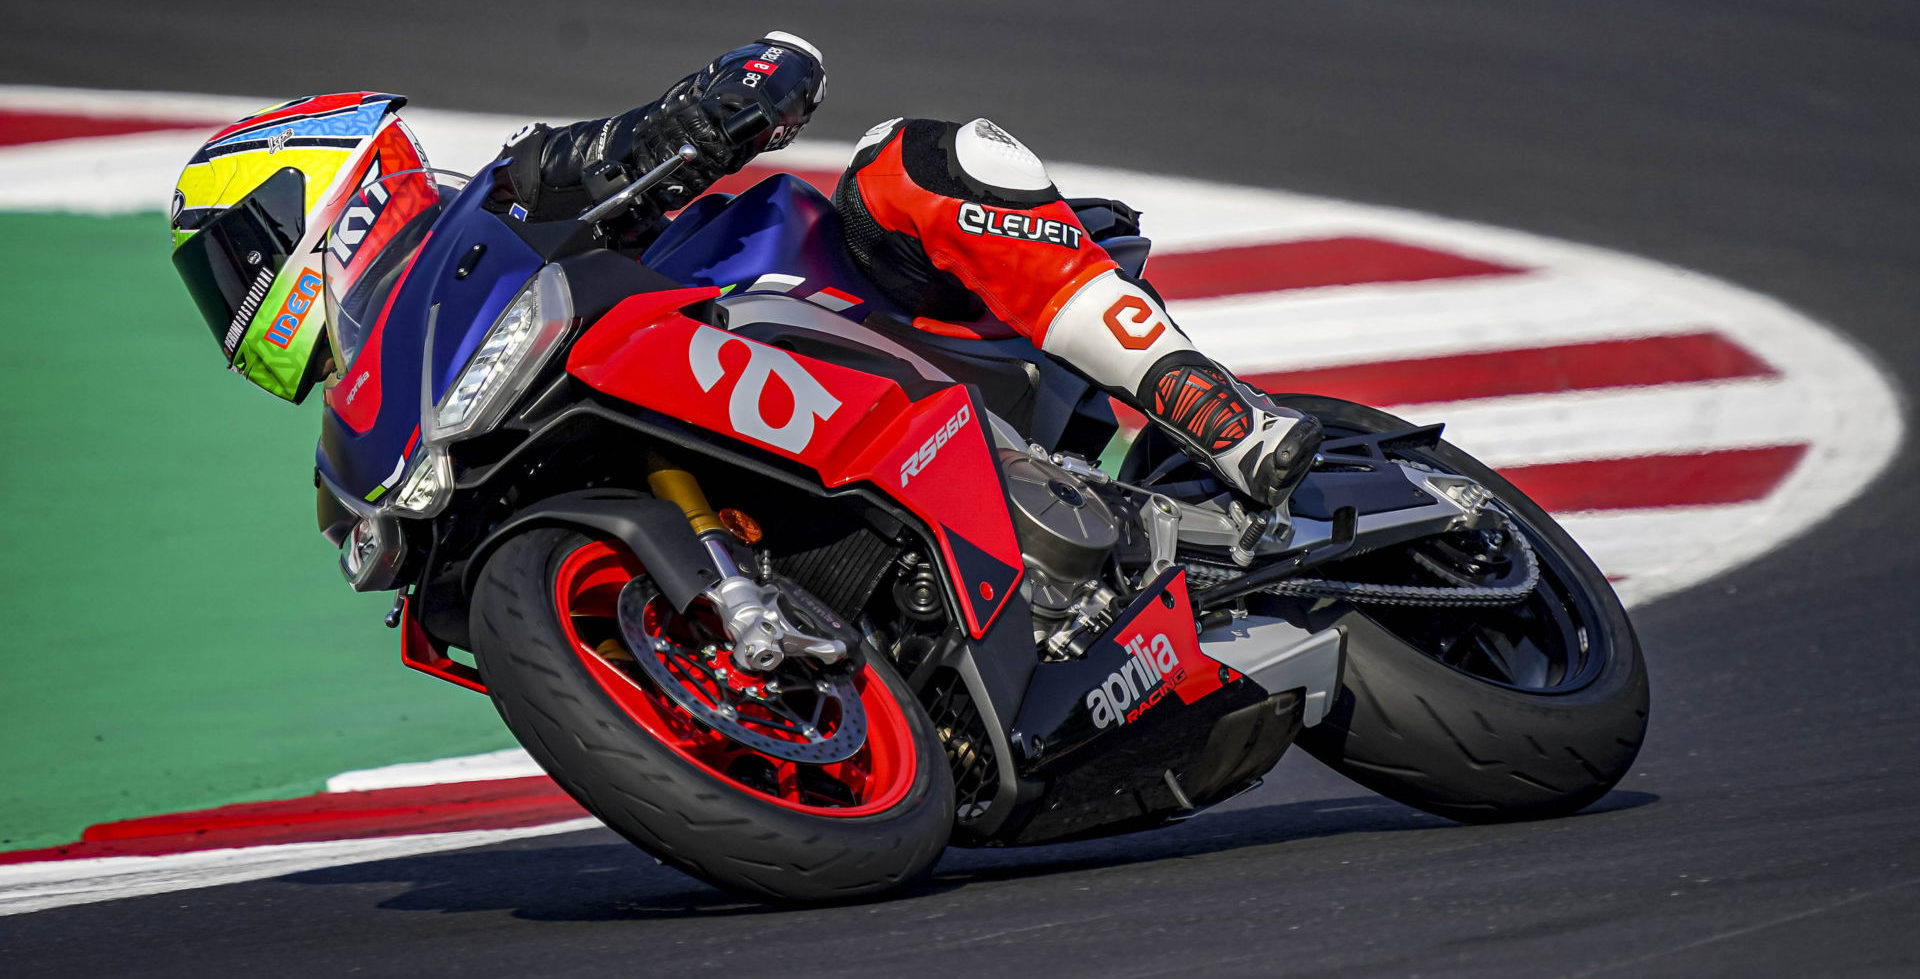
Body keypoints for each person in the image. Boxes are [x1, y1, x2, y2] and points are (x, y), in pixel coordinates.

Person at [494, 32, 1322, 510]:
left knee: (910, 160)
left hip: (827, 310)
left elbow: (779, 65)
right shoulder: (437, 410)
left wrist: (704, 120)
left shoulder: (505, 211)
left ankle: (1217, 409)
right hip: (692, 472)